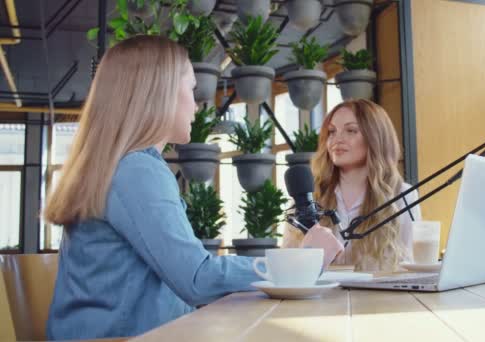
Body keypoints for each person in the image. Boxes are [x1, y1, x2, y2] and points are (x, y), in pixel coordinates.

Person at [42, 35, 338, 340]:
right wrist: (301, 262)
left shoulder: (117, 166)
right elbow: (197, 278)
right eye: (191, 89)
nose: (198, 105)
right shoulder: (137, 170)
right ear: (159, 94)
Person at [283, 99, 422, 272]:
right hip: (319, 298)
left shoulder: (402, 195)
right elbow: (285, 268)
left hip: (378, 298)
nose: (337, 139)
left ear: (375, 137)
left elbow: (412, 266)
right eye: (332, 132)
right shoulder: (309, 196)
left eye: (350, 130)